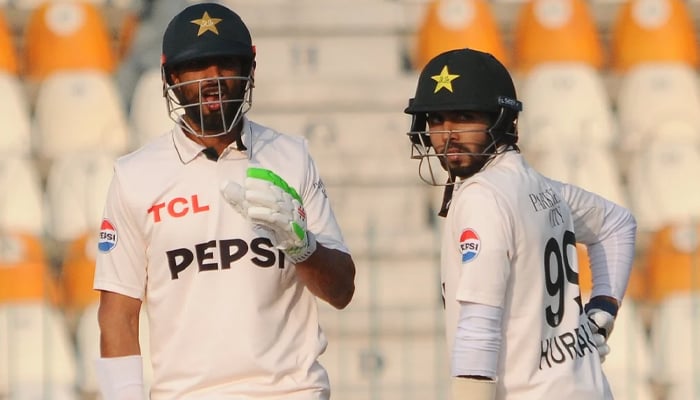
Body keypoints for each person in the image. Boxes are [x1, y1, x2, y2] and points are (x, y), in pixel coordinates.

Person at [93, 3, 356, 399]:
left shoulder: (290, 156)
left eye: (225, 64)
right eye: (197, 66)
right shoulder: (135, 176)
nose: (213, 79)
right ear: (172, 77)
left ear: (249, 69)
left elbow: (342, 292)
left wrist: (303, 247)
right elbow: (118, 316)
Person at [404, 48, 637, 400]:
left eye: (464, 116)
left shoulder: (483, 197)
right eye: (435, 119)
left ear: (501, 120)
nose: (447, 134)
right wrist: (601, 315)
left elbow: (479, 325)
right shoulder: (539, 187)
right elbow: (618, 224)